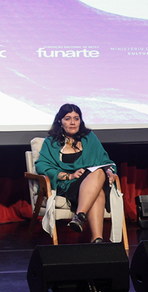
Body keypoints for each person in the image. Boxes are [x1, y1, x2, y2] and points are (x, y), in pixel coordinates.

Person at [35, 103, 117, 243]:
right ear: (60, 121)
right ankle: (96, 238)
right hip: (68, 185)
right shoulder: (51, 142)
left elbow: (105, 160)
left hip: (94, 182)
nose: (72, 122)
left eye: (76, 118)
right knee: (98, 188)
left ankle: (84, 222)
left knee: (98, 174)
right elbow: (42, 165)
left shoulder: (89, 138)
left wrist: (110, 171)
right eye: (67, 118)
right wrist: (69, 175)